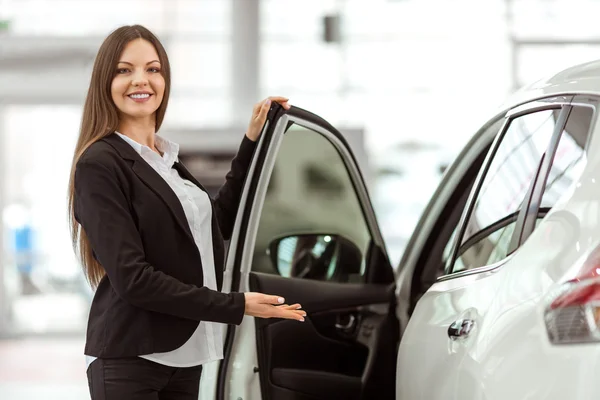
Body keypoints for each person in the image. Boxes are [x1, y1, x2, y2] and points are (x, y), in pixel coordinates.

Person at [67, 24, 306, 400]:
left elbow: (217, 222)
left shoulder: (167, 163)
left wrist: (251, 143)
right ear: (104, 82)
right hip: (130, 359)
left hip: (185, 358)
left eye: (153, 69)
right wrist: (236, 305)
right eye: (124, 70)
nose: (141, 80)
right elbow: (133, 279)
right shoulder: (100, 163)